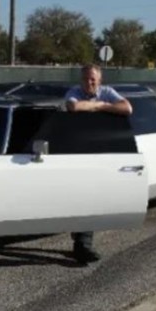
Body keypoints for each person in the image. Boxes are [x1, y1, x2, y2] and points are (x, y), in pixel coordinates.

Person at [62, 64, 133, 265]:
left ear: (100, 80)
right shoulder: (74, 92)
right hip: (75, 149)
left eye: (93, 79)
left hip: (100, 150)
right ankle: (82, 244)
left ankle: (82, 241)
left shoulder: (107, 92)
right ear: (80, 80)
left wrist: (100, 105)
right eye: (86, 79)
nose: (89, 82)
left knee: (91, 194)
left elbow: (127, 108)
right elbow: (73, 107)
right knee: (85, 194)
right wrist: (101, 106)